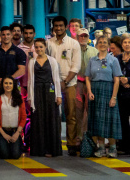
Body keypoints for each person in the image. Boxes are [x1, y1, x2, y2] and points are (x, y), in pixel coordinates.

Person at [46, 15, 81, 154]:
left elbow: (76, 66)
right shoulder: (49, 43)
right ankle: (56, 143)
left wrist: (65, 82)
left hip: (70, 84)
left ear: (66, 27)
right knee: (55, 116)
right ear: (53, 27)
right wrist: (55, 83)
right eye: (56, 26)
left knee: (71, 115)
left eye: (61, 25)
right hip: (52, 85)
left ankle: (72, 144)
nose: (58, 28)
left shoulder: (73, 44)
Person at [85, 34, 122, 158]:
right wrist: (89, 92)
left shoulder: (113, 60)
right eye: (100, 42)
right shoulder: (92, 60)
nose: (102, 44)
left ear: (108, 46)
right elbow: (87, 78)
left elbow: (117, 80)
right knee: (97, 121)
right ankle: (100, 147)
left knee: (110, 120)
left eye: (105, 42)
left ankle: (112, 148)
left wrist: (114, 97)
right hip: (95, 91)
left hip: (108, 90)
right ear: (96, 45)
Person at [27, 38, 63, 157]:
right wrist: (30, 97)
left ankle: (51, 149)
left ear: (45, 47)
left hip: (50, 91)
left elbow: (56, 79)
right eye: (36, 47)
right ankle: (39, 149)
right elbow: (30, 81)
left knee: (51, 120)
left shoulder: (52, 61)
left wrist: (58, 95)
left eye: (41, 47)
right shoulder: (32, 62)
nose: (39, 49)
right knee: (38, 120)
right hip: (37, 91)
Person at [0, 76, 27, 160]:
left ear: (13, 85)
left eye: (10, 83)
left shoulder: (19, 99)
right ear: (2, 85)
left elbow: (24, 117)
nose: (8, 85)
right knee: (4, 155)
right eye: (5, 83)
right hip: (1, 132)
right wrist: (4, 134)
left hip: (15, 131)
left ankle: (15, 144)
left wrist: (17, 133)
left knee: (15, 155)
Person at [75, 28, 97, 147]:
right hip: (77, 83)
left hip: (90, 84)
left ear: (88, 37)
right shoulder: (73, 50)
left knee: (89, 111)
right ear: (77, 37)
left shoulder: (94, 51)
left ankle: (88, 137)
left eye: (85, 36)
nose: (83, 38)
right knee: (78, 111)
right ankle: (78, 137)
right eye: (81, 36)